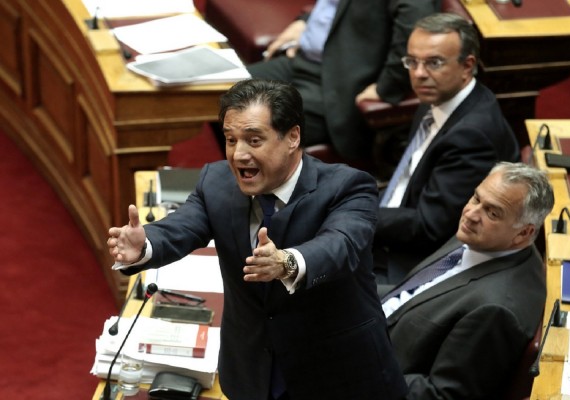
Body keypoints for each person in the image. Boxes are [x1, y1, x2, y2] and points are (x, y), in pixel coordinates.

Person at [106, 79, 407, 400]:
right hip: (251, 372)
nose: (239, 154)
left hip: (338, 377)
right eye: (230, 140)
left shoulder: (348, 187)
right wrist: (144, 245)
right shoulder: (216, 181)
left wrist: (287, 263)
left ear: (292, 137)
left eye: (254, 140)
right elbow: (181, 226)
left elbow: (341, 245)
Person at [382, 161, 554, 400]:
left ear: (524, 233)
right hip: (374, 326)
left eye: (492, 213)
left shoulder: (495, 310)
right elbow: (415, 293)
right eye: (476, 198)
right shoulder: (486, 238)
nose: (471, 214)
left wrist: (362, 369)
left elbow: (442, 395)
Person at [373, 12, 521, 284]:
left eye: (434, 63)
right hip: (396, 216)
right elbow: (410, 175)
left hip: (408, 262)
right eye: (412, 62)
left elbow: (428, 227)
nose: (419, 74)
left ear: (467, 66)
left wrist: (360, 216)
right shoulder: (439, 97)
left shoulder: (471, 136)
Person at [246, 0, 440, 161]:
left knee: (250, 121)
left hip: (336, 85)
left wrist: (387, 87)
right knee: (229, 90)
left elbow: (416, 32)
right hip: (300, 61)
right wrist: (305, 22)